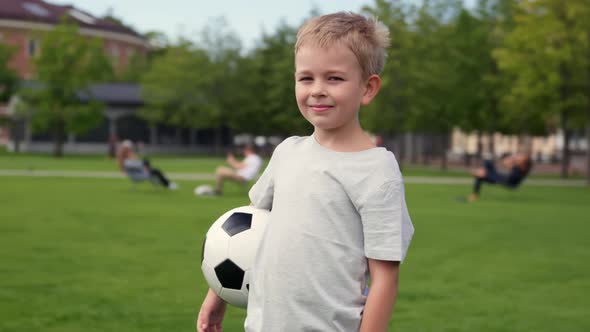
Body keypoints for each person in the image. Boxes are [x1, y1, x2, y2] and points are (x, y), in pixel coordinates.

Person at [197, 12, 414, 332]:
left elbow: (385, 277)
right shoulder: (287, 153)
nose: (317, 90)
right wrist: (217, 295)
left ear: (367, 88)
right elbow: (250, 233)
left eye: (334, 78)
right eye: (306, 78)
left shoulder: (377, 171)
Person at [468, 152, 532, 201]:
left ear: (524, 162)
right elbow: (507, 165)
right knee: (487, 163)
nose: (518, 157)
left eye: (521, 157)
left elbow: (509, 179)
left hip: (507, 182)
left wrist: (487, 174)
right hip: (503, 179)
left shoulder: (520, 169)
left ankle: (475, 193)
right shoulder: (517, 167)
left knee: (480, 175)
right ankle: (475, 193)